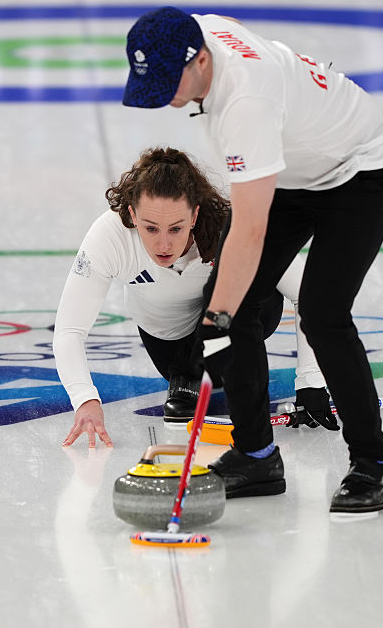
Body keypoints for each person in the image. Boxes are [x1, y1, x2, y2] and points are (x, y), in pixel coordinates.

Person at [122, 7, 383, 519]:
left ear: (201, 60)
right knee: (233, 305)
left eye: (168, 82)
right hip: (295, 167)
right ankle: (256, 456)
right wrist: (222, 316)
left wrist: (216, 321)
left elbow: (250, 231)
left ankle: (373, 465)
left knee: (321, 314)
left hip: (361, 169)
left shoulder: (246, 104)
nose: (162, 95)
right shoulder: (194, 31)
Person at [55, 146, 333, 451]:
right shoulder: (109, 236)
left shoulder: (231, 225)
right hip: (169, 344)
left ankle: (237, 371)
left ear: (195, 214)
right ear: (132, 214)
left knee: (260, 287)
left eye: (176, 228)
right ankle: (187, 377)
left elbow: (309, 294)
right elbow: (69, 330)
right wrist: (85, 399)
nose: (163, 244)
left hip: (228, 322)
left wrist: (311, 380)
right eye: (150, 228)